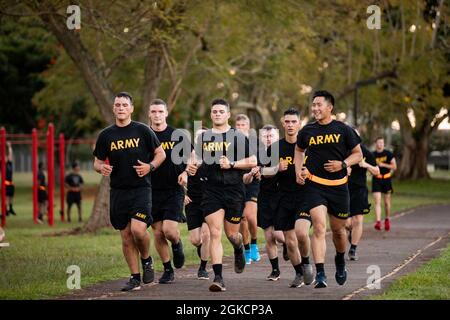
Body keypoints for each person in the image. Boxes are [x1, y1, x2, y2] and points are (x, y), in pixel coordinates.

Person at [93, 92, 166, 291]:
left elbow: (161, 154)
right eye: (117, 105)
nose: (121, 108)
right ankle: (135, 278)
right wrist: (102, 168)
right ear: (113, 108)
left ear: (131, 108)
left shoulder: (143, 130)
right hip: (118, 191)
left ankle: (147, 259)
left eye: (125, 105)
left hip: (141, 189)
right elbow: (97, 162)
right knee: (125, 236)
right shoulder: (106, 135)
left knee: (138, 230)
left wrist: (150, 167)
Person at [294, 90, 362, 288]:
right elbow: (298, 150)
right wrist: (299, 171)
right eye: (313, 105)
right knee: (319, 227)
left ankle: (340, 260)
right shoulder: (307, 131)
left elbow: (357, 155)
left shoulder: (344, 129)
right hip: (314, 185)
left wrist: (342, 164)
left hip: (339, 187)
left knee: (339, 232)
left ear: (330, 107)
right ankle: (321, 273)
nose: (315, 108)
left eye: (319, 105)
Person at [194, 98, 257, 292]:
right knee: (214, 233)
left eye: (221, 111)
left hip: (234, 190)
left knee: (232, 234)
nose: (217, 114)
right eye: (214, 111)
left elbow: (253, 160)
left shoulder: (237, 136)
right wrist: (189, 166)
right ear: (211, 115)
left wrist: (231, 164)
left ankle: (239, 247)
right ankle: (218, 277)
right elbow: (195, 158)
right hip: (211, 190)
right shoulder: (204, 138)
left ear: (228, 114)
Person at [261, 108, 314, 288]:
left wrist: (309, 173)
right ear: (283, 123)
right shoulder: (275, 148)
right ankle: (299, 272)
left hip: (305, 196)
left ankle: (306, 261)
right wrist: (276, 168)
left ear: (299, 124)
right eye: (287, 122)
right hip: (283, 197)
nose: (290, 125)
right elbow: (263, 172)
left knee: (301, 233)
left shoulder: (308, 146)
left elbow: (319, 167)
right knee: (290, 241)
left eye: (294, 122)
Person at [148, 98, 189, 284]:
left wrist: (186, 173)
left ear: (166, 113)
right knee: (157, 233)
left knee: (169, 230)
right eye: (154, 111)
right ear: (149, 114)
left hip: (174, 189)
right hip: (150, 191)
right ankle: (167, 269)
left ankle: (177, 244)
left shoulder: (177, 135)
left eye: (160, 111)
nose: (157, 115)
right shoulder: (144, 135)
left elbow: (192, 157)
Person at [252, 125, 289, 281]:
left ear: (277, 136)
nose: (268, 139)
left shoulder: (284, 150)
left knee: (279, 235)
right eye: (265, 136)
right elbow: (257, 172)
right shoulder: (258, 155)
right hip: (265, 196)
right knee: (268, 236)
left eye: (271, 136)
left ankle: (288, 245)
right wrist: (252, 174)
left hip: (282, 196)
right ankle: (275, 270)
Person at [346, 129, 380, 261]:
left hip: (360, 189)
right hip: (344, 189)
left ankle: (353, 248)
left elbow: (377, 171)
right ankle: (351, 232)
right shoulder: (342, 151)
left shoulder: (366, 152)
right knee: (346, 223)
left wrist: (365, 165)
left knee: (358, 220)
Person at [182, 127, 211, 280]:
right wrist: (182, 194)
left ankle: (203, 268)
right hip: (192, 201)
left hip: (210, 200)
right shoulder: (188, 157)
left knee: (207, 234)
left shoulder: (214, 156)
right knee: (195, 240)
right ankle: (202, 248)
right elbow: (179, 177)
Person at [235, 114, 261, 264]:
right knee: (242, 218)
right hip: (236, 184)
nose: (239, 128)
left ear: (248, 127)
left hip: (252, 183)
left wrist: (258, 170)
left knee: (250, 216)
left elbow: (262, 162)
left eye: (242, 125)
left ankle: (254, 244)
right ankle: (246, 249)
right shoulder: (231, 143)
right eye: (237, 126)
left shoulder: (256, 144)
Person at [372, 137, 397, 231]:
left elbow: (394, 167)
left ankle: (387, 219)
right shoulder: (372, 154)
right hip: (376, 179)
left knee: (386, 203)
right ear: (375, 143)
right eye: (378, 142)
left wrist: (383, 165)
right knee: (377, 202)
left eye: (382, 143)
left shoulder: (388, 154)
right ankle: (378, 222)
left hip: (386, 179)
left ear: (384, 144)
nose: (380, 144)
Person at [5, 142, 16, 216]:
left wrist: (9, 147)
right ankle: (5, 210)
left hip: (11, 182)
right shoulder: (2, 165)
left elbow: (10, 155)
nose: (7, 157)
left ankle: (10, 208)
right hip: (5, 183)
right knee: (6, 197)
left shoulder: (9, 163)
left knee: (11, 196)